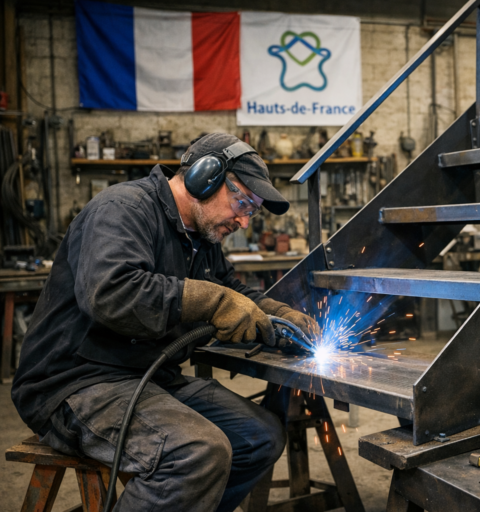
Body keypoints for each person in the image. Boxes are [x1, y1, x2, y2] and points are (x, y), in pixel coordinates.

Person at [12, 132, 318, 511]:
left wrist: (279, 313)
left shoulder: (202, 238)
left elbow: (231, 291)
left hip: (149, 376)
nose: (243, 220)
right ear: (204, 178)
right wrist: (210, 301)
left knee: (261, 437)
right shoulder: (124, 209)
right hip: (76, 382)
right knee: (198, 452)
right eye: (241, 202)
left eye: (251, 211)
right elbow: (110, 293)